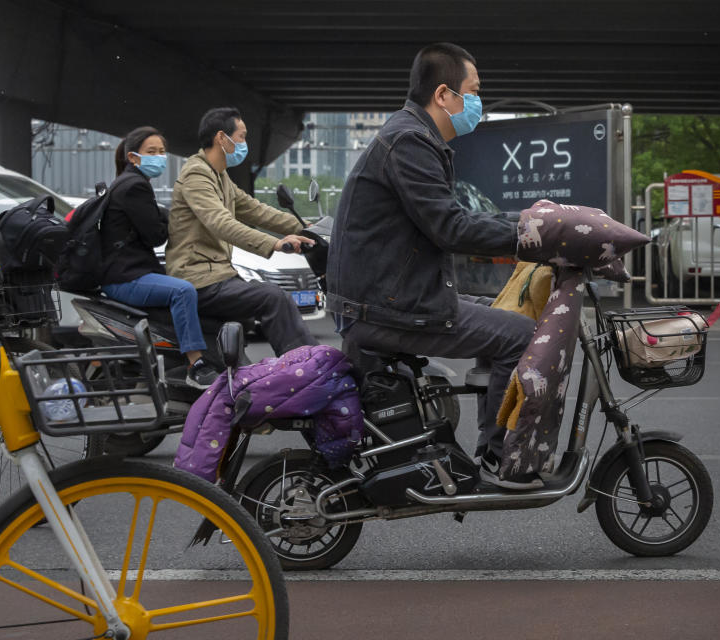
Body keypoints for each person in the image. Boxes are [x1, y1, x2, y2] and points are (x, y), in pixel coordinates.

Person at [326, 43, 537, 489]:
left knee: (500, 316)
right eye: (473, 91)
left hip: (387, 297)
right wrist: (533, 234)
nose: (477, 102)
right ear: (444, 94)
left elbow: (447, 222)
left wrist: (528, 222)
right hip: (386, 308)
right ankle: (501, 459)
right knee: (520, 336)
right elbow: (451, 227)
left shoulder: (413, 137)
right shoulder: (410, 142)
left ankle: (486, 446)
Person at [166, 107, 317, 356]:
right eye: (242, 136)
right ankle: (306, 365)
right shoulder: (197, 174)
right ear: (221, 138)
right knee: (273, 297)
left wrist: (306, 228)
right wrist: (276, 244)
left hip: (218, 275)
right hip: (198, 279)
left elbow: (254, 210)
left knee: (264, 302)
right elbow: (221, 223)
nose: (245, 144)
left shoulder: (219, 176)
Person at [96, 126, 220, 388]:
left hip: (126, 272)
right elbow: (156, 236)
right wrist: (170, 219)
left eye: (162, 151)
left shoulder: (128, 182)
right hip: (125, 277)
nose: (159, 156)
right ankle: (196, 363)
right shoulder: (134, 187)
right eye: (151, 151)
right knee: (183, 291)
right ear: (133, 157)